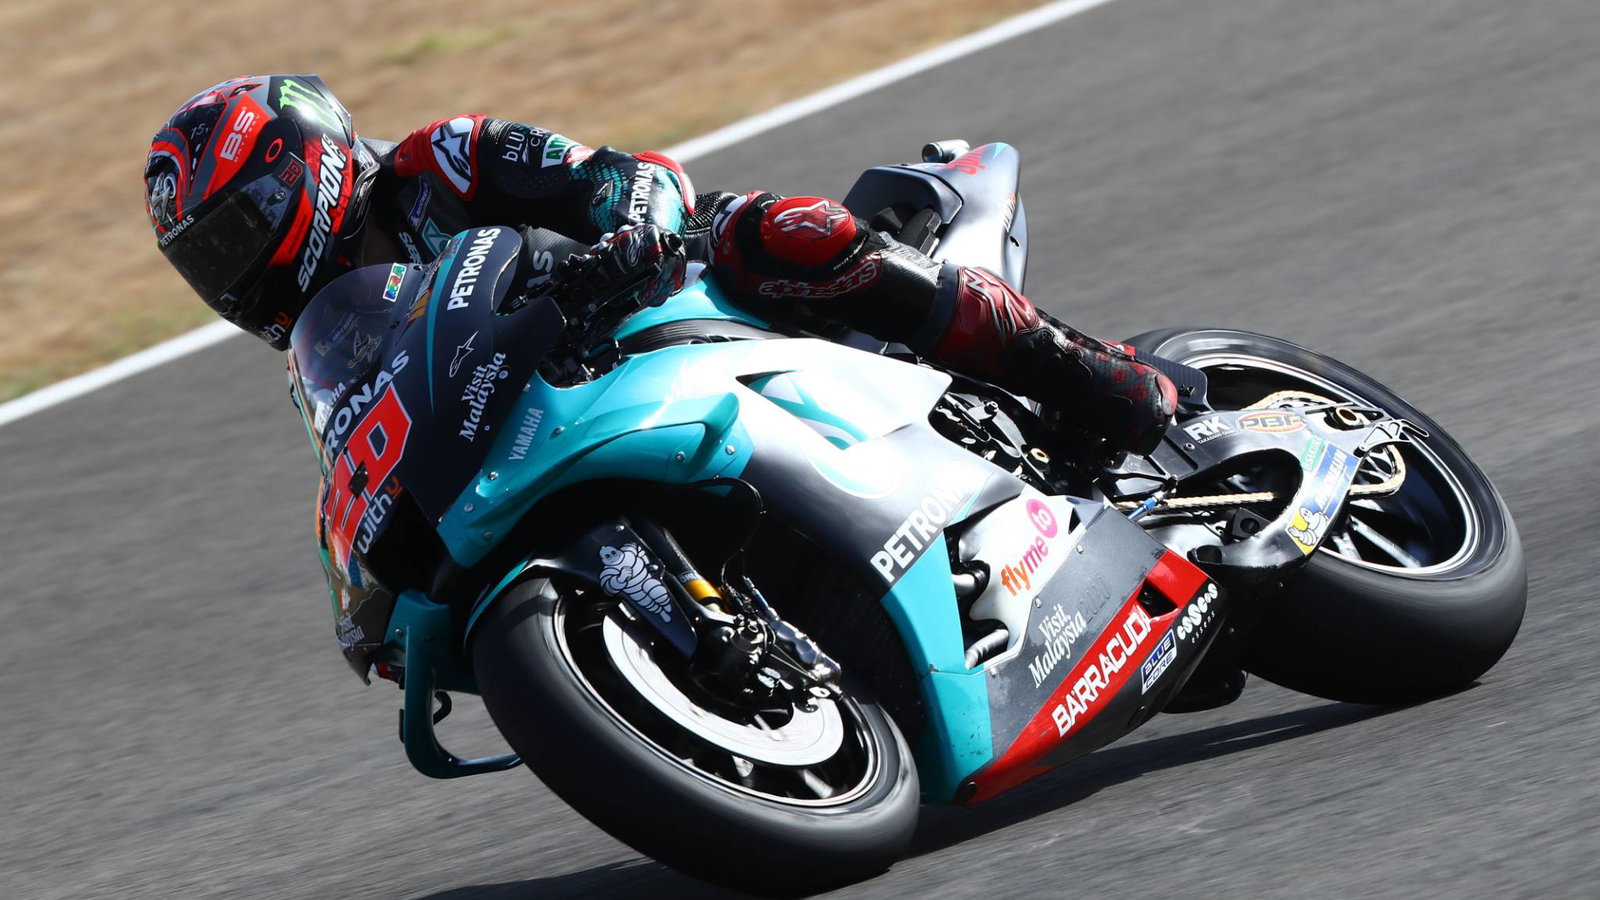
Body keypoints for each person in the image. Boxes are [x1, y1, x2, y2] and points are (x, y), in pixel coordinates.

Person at [144, 74, 1174, 455]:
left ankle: (1094, 375)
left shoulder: (442, 163)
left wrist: (627, 236)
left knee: (783, 231)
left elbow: (623, 176)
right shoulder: (328, 345)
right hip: (565, 419)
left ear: (302, 172)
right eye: (205, 264)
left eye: (232, 236)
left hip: (674, 295)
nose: (229, 277)